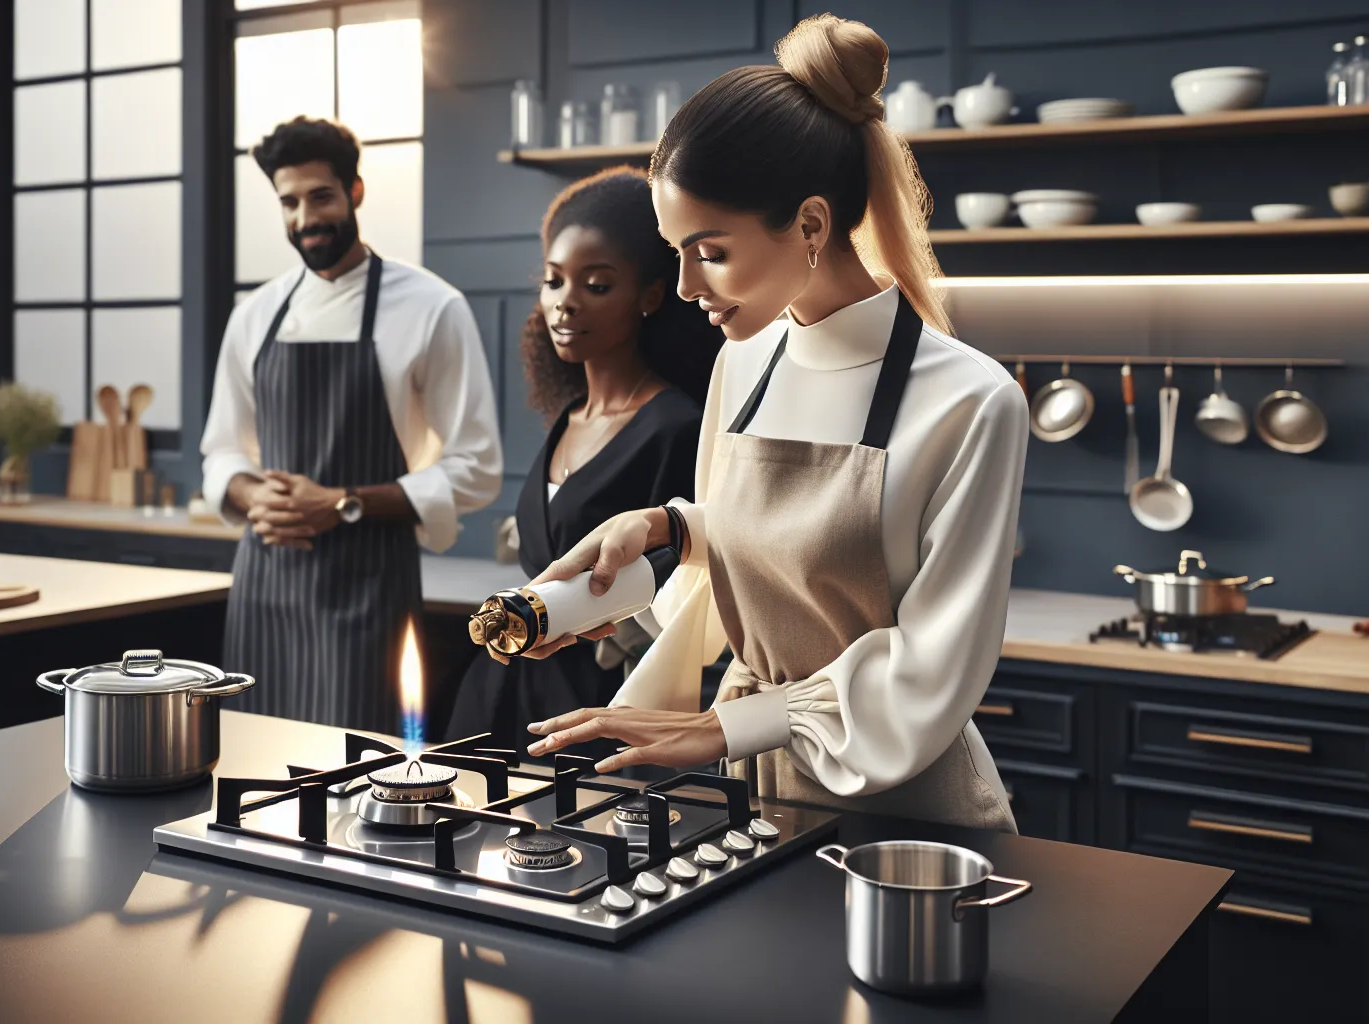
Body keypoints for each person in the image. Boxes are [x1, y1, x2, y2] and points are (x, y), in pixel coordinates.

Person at [519, 16, 1028, 832]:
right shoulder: (745, 363)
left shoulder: (972, 402)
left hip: (907, 816)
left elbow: (933, 668)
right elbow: (758, 557)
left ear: (813, 227)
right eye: (674, 249)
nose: (684, 287)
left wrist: (728, 726)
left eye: (709, 251)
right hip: (750, 794)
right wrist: (664, 533)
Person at [202, 116, 503, 731]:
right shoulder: (254, 315)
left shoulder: (430, 308)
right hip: (265, 587)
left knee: (355, 777)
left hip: (368, 593)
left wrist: (341, 504)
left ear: (355, 191)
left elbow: (477, 467)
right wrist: (255, 494)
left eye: (321, 197)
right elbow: (221, 453)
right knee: (249, 771)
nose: (306, 218)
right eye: (289, 202)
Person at [447, 168, 721, 755]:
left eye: (595, 285)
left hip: (597, 708)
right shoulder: (568, 418)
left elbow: (686, 590)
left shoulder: (676, 427)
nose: (564, 303)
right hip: (499, 695)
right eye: (552, 281)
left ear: (649, 296)